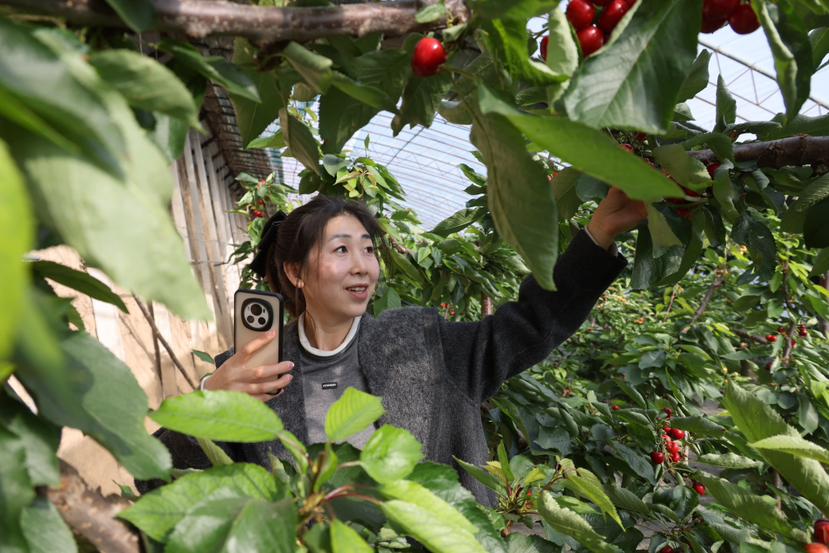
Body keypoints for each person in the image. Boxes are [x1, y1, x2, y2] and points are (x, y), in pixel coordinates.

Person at [148, 189, 647, 504]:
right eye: (341, 250)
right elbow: (160, 482)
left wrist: (598, 234)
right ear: (296, 272)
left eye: (368, 249)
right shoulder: (249, 374)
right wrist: (208, 401)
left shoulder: (423, 345)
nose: (362, 266)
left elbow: (529, 326)